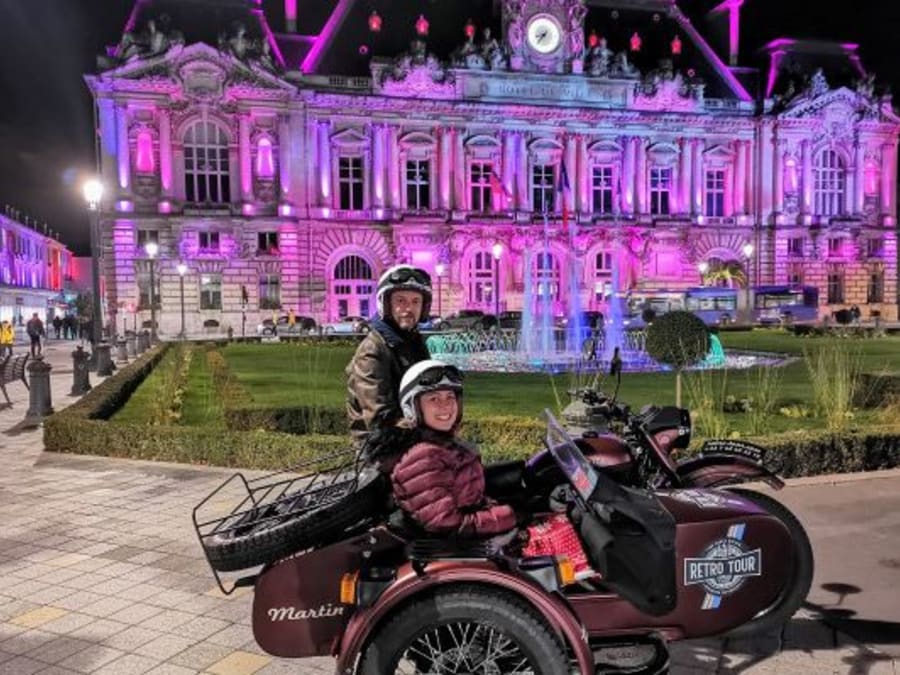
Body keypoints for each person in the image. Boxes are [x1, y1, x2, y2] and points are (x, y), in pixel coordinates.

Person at [391, 360, 516, 536]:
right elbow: (444, 523)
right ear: (413, 408)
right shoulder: (423, 457)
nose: (446, 405)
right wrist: (508, 516)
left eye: (450, 397)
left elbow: (468, 497)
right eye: (434, 398)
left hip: (467, 541)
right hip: (455, 550)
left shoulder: (444, 446)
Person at [346, 264, 432, 462]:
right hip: (379, 452)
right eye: (400, 301)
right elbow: (380, 418)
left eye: (415, 301)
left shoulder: (413, 343)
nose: (408, 308)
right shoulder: (373, 350)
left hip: (410, 442)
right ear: (386, 304)